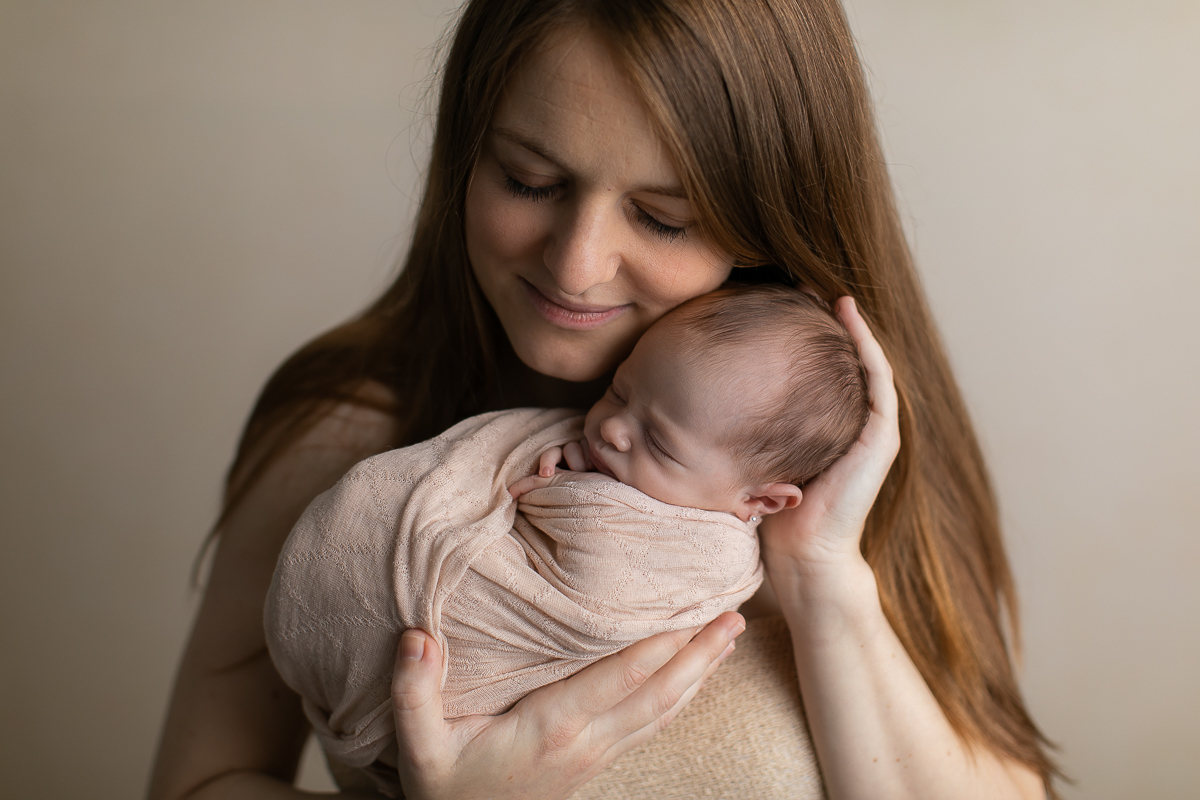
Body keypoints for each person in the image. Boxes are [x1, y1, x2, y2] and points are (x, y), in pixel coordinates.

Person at [149, 1, 1060, 798]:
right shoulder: (350, 432)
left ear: (770, 217)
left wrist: (823, 577)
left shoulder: (843, 465)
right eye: (529, 180)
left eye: (663, 217)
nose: (576, 266)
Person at [263, 285, 868, 797]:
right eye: (620, 390)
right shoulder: (339, 417)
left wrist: (827, 563)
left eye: (658, 442)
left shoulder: (707, 555)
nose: (609, 427)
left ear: (760, 502)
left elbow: (599, 581)